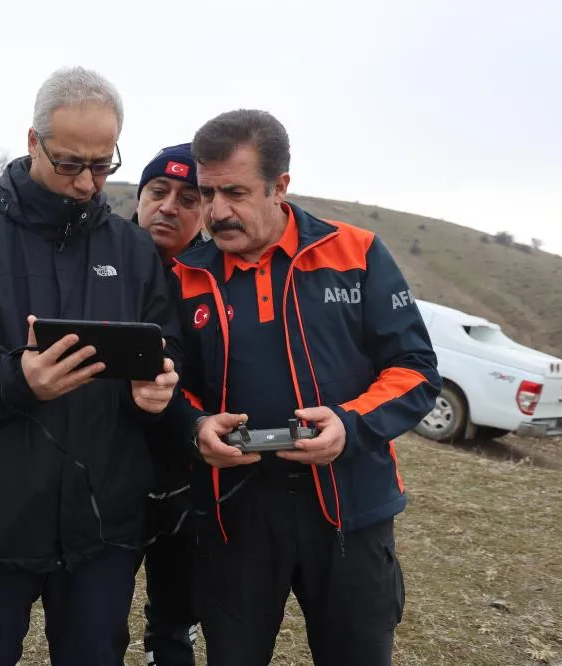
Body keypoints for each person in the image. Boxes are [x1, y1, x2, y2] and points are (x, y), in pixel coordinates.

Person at [0, 65, 181, 666]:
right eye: (70, 163)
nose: (87, 182)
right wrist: (14, 377)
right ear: (33, 142)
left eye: (102, 165)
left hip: (102, 527)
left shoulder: (133, 250)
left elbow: (164, 348)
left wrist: (158, 388)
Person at [161, 109, 442, 666]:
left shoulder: (356, 253)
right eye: (208, 192)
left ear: (280, 186)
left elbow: (414, 369)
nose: (216, 212)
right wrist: (195, 428)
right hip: (235, 514)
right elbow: (166, 385)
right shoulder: (184, 275)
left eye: (235, 192)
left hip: (349, 509)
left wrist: (351, 424)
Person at [131, 143, 205, 666]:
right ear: (139, 197)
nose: (169, 207)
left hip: (187, 474)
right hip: (109, 468)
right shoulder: (100, 259)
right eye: (159, 191)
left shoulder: (215, 276)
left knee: (176, 618)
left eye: (188, 198)